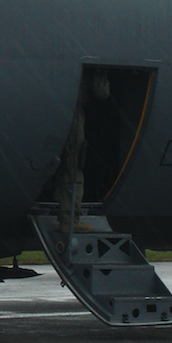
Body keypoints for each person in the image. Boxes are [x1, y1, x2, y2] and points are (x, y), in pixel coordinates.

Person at [56, 69, 111, 234]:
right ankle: (69, 219)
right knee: (73, 164)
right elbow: (101, 92)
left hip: (55, 104)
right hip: (72, 109)